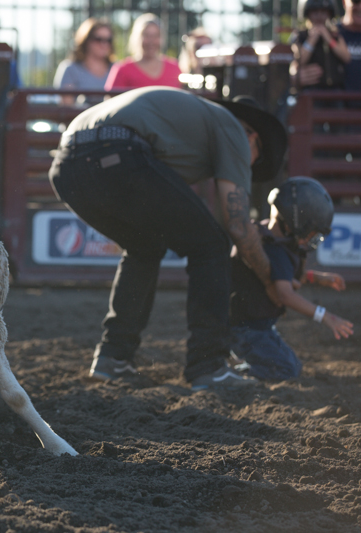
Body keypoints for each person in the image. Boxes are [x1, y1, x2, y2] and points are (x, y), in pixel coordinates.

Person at [48, 87, 288, 390]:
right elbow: (236, 226)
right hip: (118, 152)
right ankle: (208, 365)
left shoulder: (186, 126)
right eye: (255, 160)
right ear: (253, 137)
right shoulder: (234, 129)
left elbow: (218, 218)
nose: (248, 167)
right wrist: (270, 278)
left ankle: (113, 357)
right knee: (211, 246)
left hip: (66, 166)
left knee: (144, 246)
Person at [230, 177, 354, 380]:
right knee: (286, 369)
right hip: (248, 331)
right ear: (297, 223)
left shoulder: (267, 237)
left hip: (248, 328)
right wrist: (326, 317)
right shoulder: (275, 250)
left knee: (291, 364)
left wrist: (317, 277)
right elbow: (284, 294)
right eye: (311, 232)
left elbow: (284, 275)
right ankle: (236, 373)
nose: (311, 239)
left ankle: (237, 362)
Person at [104, 14, 181, 91]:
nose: (151, 41)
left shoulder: (174, 68)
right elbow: (111, 100)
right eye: (146, 35)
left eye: (156, 36)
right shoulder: (123, 69)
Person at [291, 0, 350, 91]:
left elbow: (346, 57)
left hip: (336, 90)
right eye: (315, 12)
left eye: (323, 12)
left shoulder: (335, 35)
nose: (319, 16)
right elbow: (299, 60)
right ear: (307, 14)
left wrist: (328, 39)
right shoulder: (301, 35)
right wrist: (312, 40)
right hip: (312, 90)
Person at [53, 18, 115, 105]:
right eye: (98, 39)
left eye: (108, 40)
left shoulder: (117, 69)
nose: (104, 44)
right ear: (86, 40)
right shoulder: (70, 69)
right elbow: (67, 106)